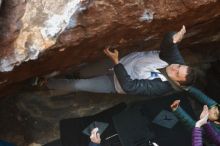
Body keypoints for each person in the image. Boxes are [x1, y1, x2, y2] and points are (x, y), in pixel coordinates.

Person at [46, 25, 196, 97]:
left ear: (177, 83)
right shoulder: (176, 62)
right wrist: (174, 37)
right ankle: (67, 80)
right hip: (119, 61)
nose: (174, 68)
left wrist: (116, 62)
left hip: (115, 82)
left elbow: (130, 87)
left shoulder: (160, 87)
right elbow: (168, 44)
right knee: (83, 73)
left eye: (176, 73)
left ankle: (45, 84)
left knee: (78, 84)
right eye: (178, 66)